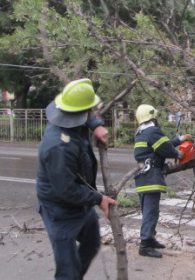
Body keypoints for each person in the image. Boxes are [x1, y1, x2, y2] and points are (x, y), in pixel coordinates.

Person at [36, 78, 117, 279]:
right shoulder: (58, 147)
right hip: (60, 210)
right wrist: (99, 199)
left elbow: (87, 112)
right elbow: (66, 190)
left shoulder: (70, 111)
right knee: (67, 270)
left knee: (92, 243)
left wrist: (96, 125)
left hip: (80, 203)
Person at [133, 104, 192, 258]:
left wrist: (180, 139)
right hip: (151, 176)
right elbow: (166, 149)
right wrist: (179, 155)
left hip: (142, 176)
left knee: (150, 211)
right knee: (150, 212)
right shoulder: (153, 131)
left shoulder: (141, 133)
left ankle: (150, 238)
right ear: (152, 117)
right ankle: (145, 244)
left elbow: (162, 145)